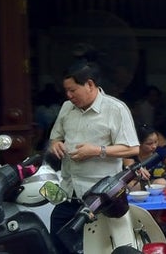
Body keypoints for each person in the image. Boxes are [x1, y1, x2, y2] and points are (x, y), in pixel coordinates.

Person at [48, 63, 140, 253]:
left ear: (90, 84)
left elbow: (132, 148)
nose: (69, 96)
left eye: (73, 90)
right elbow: (55, 137)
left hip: (100, 199)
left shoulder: (115, 108)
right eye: (66, 91)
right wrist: (56, 143)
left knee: (96, 249)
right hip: (68, 193)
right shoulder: (67, 108)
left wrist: (97, 150)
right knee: (57, 245)